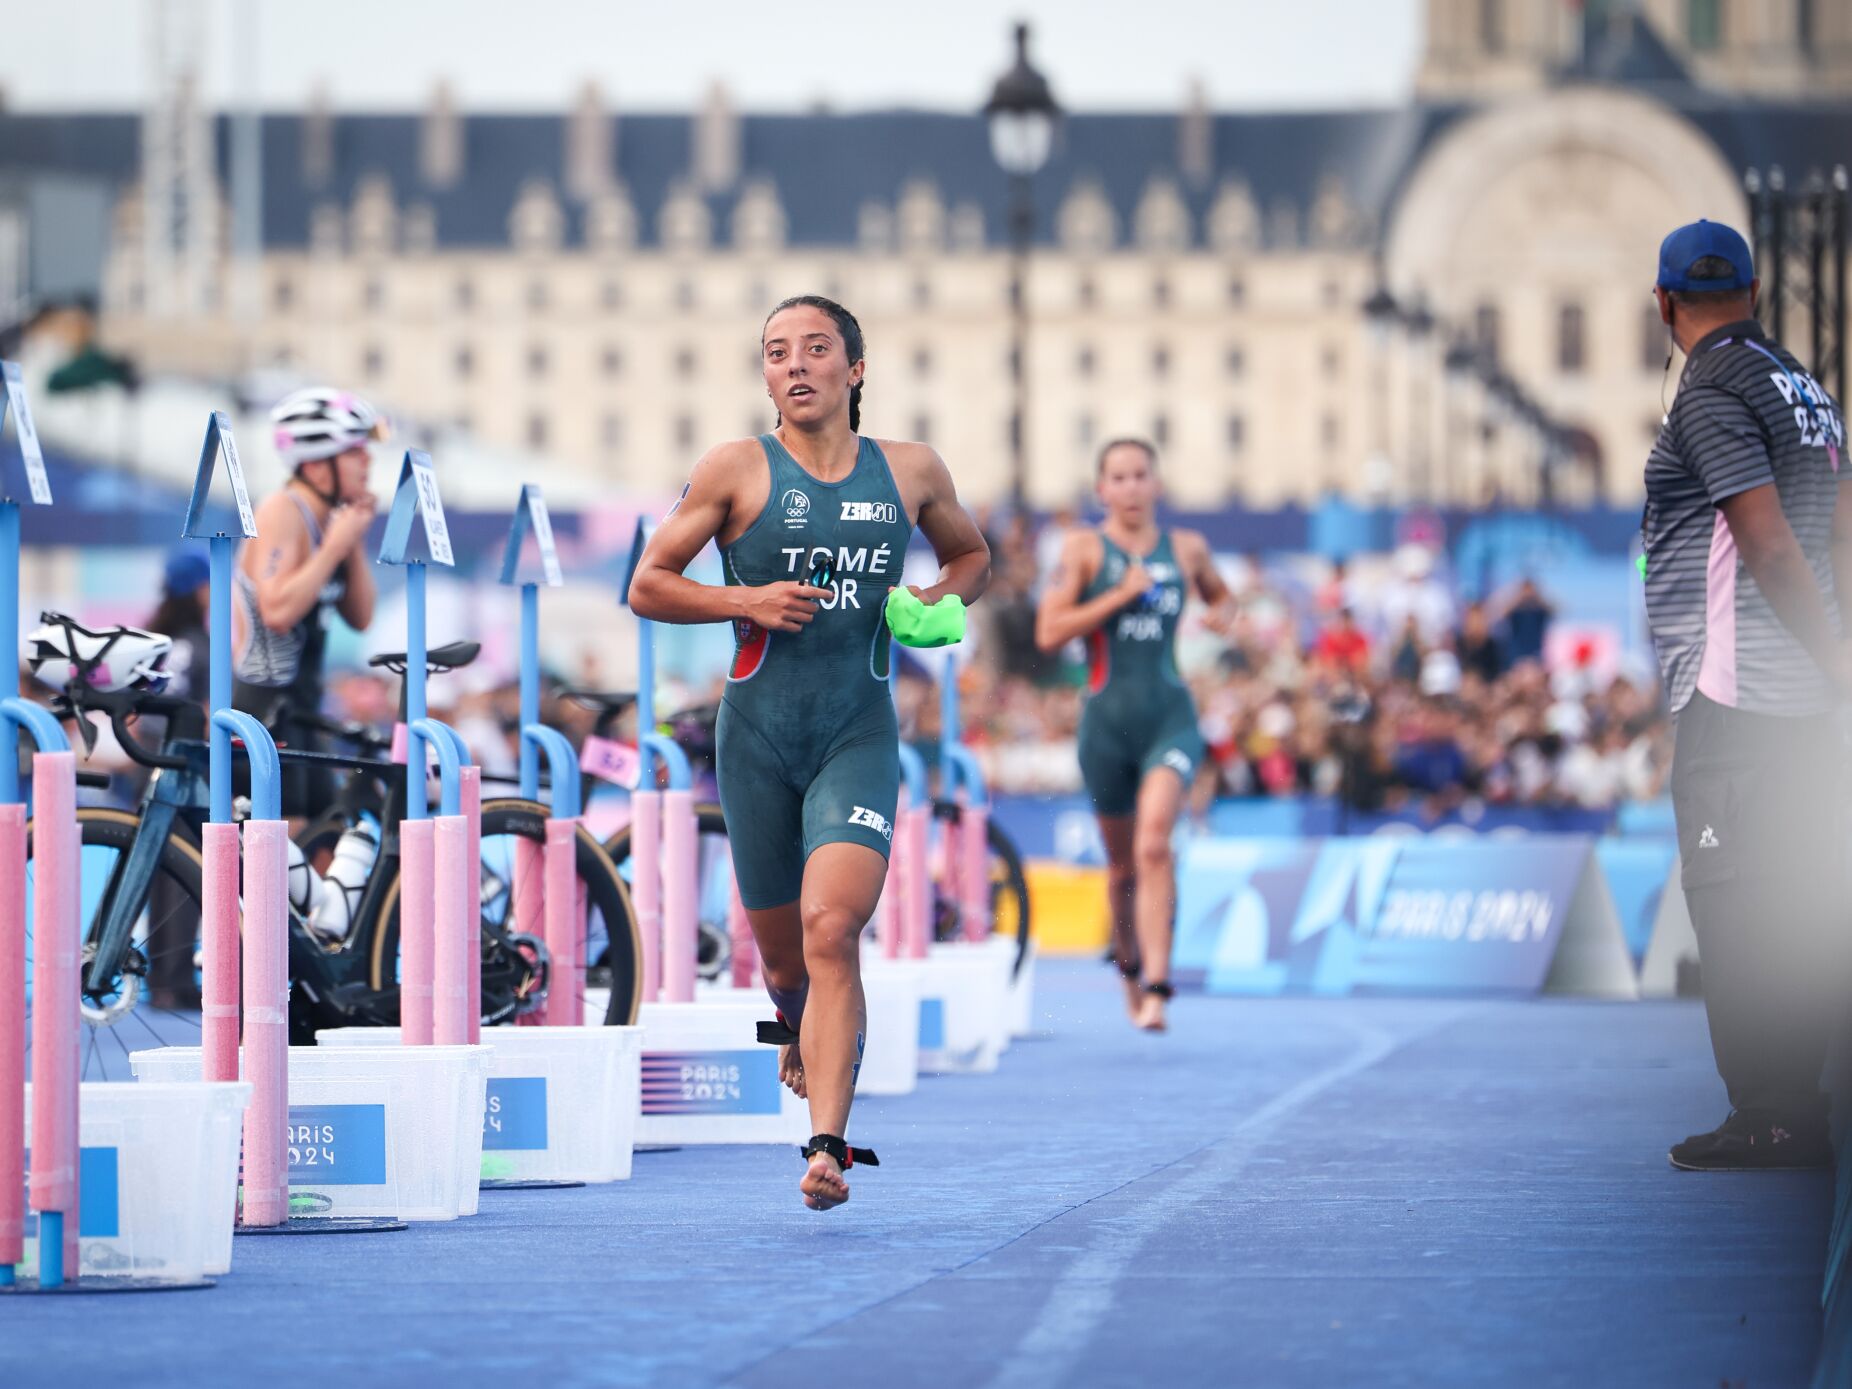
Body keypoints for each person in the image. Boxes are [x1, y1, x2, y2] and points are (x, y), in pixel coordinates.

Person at [629, 295, 990, 1211]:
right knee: (786, 967)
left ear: (854, 368)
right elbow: (649, 584)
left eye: (816, 348)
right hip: (755, 739)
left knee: (835, 929)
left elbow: (973, 556)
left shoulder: (910, 472)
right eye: (777, 352)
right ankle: (794, 1022)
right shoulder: (734, 469)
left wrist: (937, 600)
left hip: (856, 734)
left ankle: (826, 1143)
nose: (795, 365)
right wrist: (743, 602)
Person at [1641, 219, 1851, 1170]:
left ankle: (1767, 1111)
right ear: (1757, 294)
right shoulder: (1804, 385)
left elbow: (1764, 542)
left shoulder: (1711, 391)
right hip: (1801, 698)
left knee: (1733, 899)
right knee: (1797, 888)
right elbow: (1840, 534)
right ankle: (1796, 1100)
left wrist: (1833, 657)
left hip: (1738, 692)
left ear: (1664, 304)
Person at [1034, 439, 1232, 1032]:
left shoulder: (1187, 548)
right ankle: (1129, 966)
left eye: (1140, 475)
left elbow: (1222, 597)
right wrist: (1121, 594)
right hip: (1106, 728)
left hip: (1169, 716)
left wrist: (1225, 613)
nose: (1130, 487)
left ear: (1157, 484)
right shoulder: (1084, 550)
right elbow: (1049, 631)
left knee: (1154, 846)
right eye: (1117, 478)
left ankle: (1159, 984)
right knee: (1121, 867)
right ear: (1102, 490)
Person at [232, 388, 382, 818]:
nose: (368, 462)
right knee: (286, 850)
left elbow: (361, 616)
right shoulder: (283, 509)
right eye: (355, 452)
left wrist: (349, 543)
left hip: (304, 707)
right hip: (265, 711)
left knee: (327, 838)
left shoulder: (328, 520)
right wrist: (334, 547)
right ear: (317, 467)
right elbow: (277, 612)